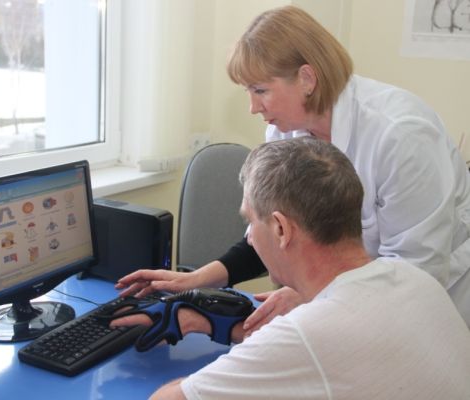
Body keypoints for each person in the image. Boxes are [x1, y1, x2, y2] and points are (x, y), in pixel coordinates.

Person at [116, 5, 470, 331]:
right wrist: (199, 279)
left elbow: (416, 274)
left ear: (307, 79)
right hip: (355, 298)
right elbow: (275, 232)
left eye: (260, 90)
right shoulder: (285, 132)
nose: (253, 107)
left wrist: (315, 296)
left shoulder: (401, 136)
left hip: (437, 303)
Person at [112, 137, 470, 399]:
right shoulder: (415, 280)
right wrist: (209, 321)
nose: (249, 238)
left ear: (282, 229)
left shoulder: (309, 334)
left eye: (250, 221)